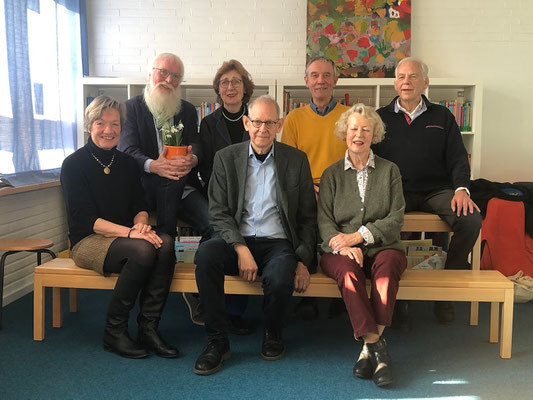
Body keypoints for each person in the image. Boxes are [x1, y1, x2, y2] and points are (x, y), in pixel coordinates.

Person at [193, 95, 317, 375]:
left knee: (280, 274)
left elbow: (308, 217)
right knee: (206, 255)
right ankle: (217, 342)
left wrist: (303, 259)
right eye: (257, 122)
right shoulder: (226, 158)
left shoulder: (296, 161)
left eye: (270, 122)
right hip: (239, 238)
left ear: (279, 125)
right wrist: (240, 247)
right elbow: (218, 212)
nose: (263, 128)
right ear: (247, 123)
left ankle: (273, 333)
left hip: (278, 242)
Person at [61, 96, 178, 359]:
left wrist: (141, 226)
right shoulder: (74, 164)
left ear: (121, 128)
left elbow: (139, 205)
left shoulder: (126, 163)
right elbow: (84, 219)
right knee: (143, 251)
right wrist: (131, 233)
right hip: (87, 241)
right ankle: (114, 332)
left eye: (115, 124)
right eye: (101, 123)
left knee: (166, 242)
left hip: (126, 238)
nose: (108, 130)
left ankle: (148, 328)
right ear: (89, 125)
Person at [373, 57, 482, 324]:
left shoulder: (442, 116)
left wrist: (461, 190)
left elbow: (457, 157)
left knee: (471, 220)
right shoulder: (380, 117)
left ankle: (446, 289)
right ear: (395, 83)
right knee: (384, 225)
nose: (406, 82)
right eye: (401, 77)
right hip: (397, 191)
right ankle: (395, 299)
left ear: (425, 82)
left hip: (437, 190)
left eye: (413, 76)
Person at [317, 104, 407, 387]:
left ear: (374, 134)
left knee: (388, 268)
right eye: (354, 128)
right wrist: (342, 247)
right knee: (349, 273)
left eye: (365, 129)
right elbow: (324, 222)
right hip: (338, 250)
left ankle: (369, 349)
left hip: (382, 245)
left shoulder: (390, 171)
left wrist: (358, 237)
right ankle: (378, 349)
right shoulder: (331, 174)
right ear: (345, 132)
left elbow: (396, 218)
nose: (359, 134)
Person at [187, 59, 256, 334]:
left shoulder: (256, 117)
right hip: (218, 195)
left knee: (244, 237)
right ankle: (214, 302)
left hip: (252, 196)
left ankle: (231, 311)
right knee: (222, 236)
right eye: (224, 82)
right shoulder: (208, 122)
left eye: (236, 82)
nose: (230, 87)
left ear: (244, 87)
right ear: (218, 89)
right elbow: (205, 167)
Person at [281, 56, 350, 319]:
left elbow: (356, 159)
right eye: (314, 75)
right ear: (306, 81)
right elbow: (288, 163)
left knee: (347, 221)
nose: (320, 80)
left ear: (335, 80)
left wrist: (331, 189)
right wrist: (308, 186)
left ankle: (343, 293)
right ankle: (305, 295)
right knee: (302, 223)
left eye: (326, 75)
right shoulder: (294, 118)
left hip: (341, 189)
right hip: (305, 187)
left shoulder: (349, 115)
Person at [118, 52, 212, 241]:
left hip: (183, 190)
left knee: (214, 224)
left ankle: (198, 261)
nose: (169, 80)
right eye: (163, 72)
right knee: (170, 178)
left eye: (176, 76)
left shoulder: (186, 110)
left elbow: (196, 144)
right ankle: (166, 238)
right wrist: (153, 165)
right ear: (150, 74)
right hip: (145, 189)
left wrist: (191, 160)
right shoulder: (131, 108)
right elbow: (127, 150)